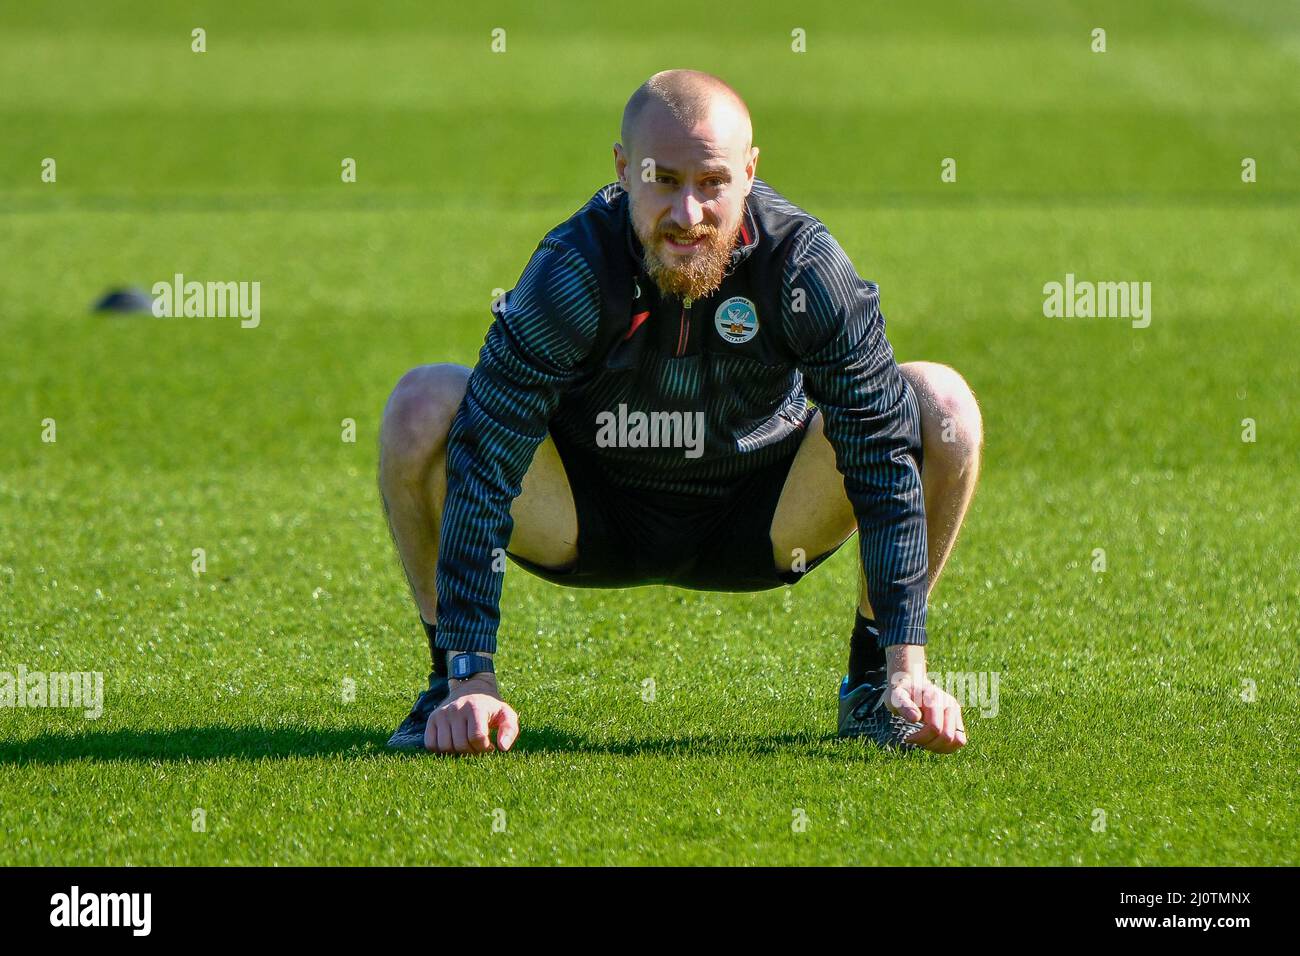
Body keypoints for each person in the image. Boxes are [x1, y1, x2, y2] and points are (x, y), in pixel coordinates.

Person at [378, 69, 982, 757]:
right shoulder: (574, 270)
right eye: (663, 179)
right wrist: (471, 674)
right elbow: (487, 462)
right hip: (586, 515)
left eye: (712, 183)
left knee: (940, 405)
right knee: (422, 406)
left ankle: (878, 686)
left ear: (749, 174)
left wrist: (911, 665)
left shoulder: (803, 267)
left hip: (765, 516)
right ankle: (444, 688)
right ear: (621, 170)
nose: (688, 214)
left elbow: (878, 449)